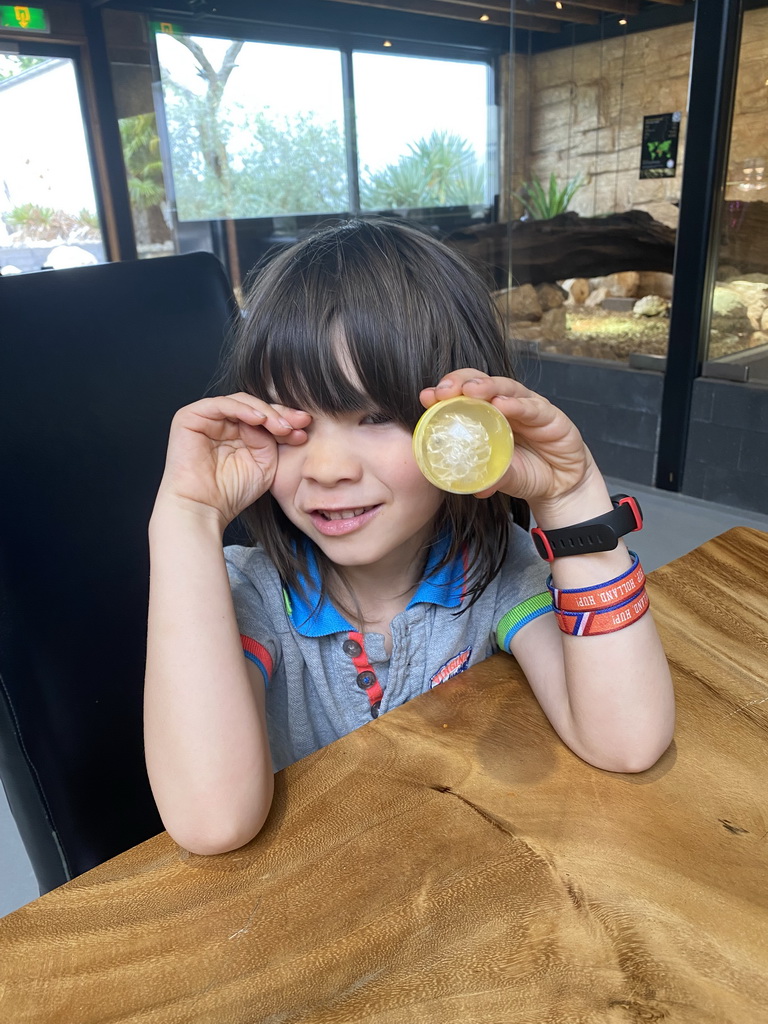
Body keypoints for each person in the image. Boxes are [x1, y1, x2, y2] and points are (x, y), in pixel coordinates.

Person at [144, 219, 675, 855]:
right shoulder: (248, 598)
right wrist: (185, 517)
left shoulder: (496, 570)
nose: (327, 468)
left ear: (463, 428)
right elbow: (212, 821)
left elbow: (628, 739)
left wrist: (570, 498)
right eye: (294, 422)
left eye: (375, 416)